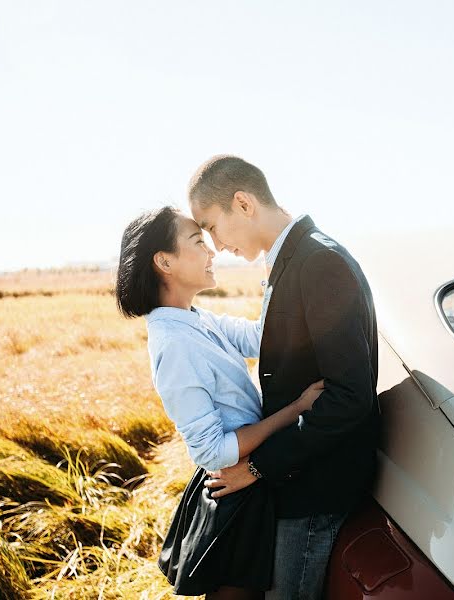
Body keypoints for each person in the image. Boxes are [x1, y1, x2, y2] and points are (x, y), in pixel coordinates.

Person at [188, 155, 380, 600]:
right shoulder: (292, 261)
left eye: (211, 226)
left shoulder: (319, 263)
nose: (213, 245)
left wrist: (256, 467)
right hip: (295, 476)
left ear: (242, 203)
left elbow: (350, 396)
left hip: (317, 487)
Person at [114, 206, 325, 600]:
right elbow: (212, 451)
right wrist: (293, 411)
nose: (212, 251)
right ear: (164, 262)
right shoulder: (174, 344)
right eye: (198, 242)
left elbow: (264, 336)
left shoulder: (197, 320)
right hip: (234, 493)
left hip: (250, 481)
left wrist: (279, 273)